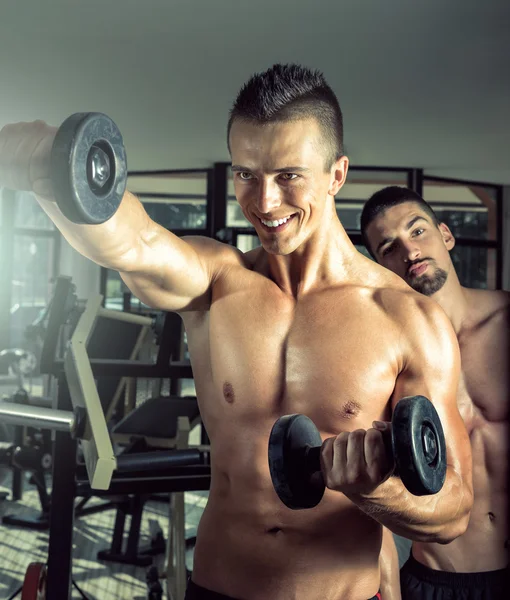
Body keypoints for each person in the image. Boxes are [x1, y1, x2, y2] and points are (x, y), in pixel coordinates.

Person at [0, 65, 473, 600]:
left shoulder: (408, 319)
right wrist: (45, 152)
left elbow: (453, 509)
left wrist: (376, 489)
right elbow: (129, 243)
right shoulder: (216, 283)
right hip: (218, 588)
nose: (265, 203)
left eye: (288, 175)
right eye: (246, 173)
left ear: (336, 175)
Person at [361, 185, 509, 600]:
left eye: (418, 230)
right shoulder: (385, 359)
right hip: (434, 581)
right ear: (380, 266)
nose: (409, 251)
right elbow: (364, 492)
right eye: (389, 247)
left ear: (446, 234)